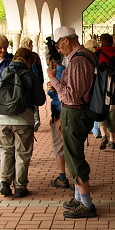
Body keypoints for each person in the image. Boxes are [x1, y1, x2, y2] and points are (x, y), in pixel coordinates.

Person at [47, 26, 97, 219]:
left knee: (75, 158)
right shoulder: (85, 55)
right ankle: (78, 198)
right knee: (71, 155)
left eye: (59, 45)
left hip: (74, 112)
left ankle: (87, 204)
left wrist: (53, 78)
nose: (59, 50)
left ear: (66, 40)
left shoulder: (77, 61)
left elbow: (72, 96)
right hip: (77, 112)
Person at [0, 47, 46, 198]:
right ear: (29, 61)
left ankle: (4, 182)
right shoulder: (29, 74)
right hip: (23, 120)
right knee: (23, 153)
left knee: (6, 150)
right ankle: (20, 186)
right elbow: (40, 100)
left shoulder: (3, 72)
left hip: (2, 118)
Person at [46, 51, 70, 189]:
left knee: (59, 146)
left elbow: (59, 94)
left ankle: (62, 177)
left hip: (60, 114)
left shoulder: (57, 73)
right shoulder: (66, 70)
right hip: (67, 113)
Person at [96, 33, 115, 150]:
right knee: (114, 111)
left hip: (101, 87)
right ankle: (112, 141)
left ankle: (103, 135)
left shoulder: (96, 54)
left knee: (101, 110)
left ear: (101, 42)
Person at [20, 36, 43, 131]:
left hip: (25, 80)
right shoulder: (35, 55)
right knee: (34, 98)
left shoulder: (20, 55)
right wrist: (40, 82)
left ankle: (30, 119)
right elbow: (40, 69)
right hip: (35, 79)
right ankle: (36, 118)